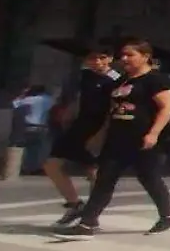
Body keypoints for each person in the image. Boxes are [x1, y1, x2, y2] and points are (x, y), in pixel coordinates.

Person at [55, 39, 170, 237]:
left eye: (130, 55)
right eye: (123, 55)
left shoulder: (156, 80)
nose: (124, 59)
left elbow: (167, 108)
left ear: (145, 57)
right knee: (105, 179)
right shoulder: (121, 81)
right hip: (117, 138)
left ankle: (168, 216)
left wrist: (153, 133)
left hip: (142, 138)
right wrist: (99, 135)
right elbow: (110, 111)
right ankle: (88, 223)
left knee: (150, 178)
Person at [44, 44, 118, 228]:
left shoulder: (116, 81)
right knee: (51, 164)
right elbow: (79, 99)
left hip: (98, 128)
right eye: (93, 58)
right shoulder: (85, 76)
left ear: (110, 59)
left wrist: (101, 135)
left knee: (93, 171)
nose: (97, 62)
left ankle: (92, 213)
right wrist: (68, 114)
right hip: (78, 126)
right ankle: (74, 204)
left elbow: (113, 110)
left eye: (102, 57)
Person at [10, 85, 54, 175]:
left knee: (27, 148)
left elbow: (14, 104)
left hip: (29, 126)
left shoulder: (30, 99)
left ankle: (26, 167)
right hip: (43, 127)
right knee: (39, 149)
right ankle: (37, 167)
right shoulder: (49, 99)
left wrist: (23, 94)